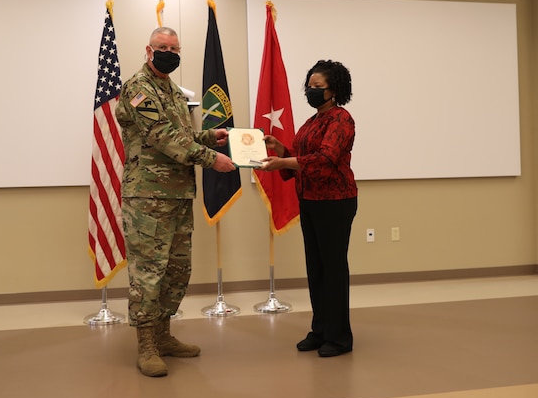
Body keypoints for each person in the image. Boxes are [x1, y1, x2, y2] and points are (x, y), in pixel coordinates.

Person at [115, 27, 236, 377]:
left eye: (174, 47)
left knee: (176, 270)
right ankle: (146, 344)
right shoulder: (139, 89)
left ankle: (165, 335)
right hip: (148, 197)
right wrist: (211, 158)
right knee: (149, 273)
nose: (168, 51)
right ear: (148, 50)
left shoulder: (171, 90)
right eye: (161, 47)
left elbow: (181, 136)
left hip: (179, 193)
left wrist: (209, 136)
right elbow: (163, 137)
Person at [260, 60, 357, 357]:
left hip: (335, 202)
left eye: (318, 87)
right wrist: (280, 149)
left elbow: (325, 159)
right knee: (316, 270)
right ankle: (321, 330)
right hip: (311, 201)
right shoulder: (313, 121)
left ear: (334, 90)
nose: (311, 91)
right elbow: (302, 160)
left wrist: (284, 162)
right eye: (309, 86)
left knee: (333, 269)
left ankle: (339, 337)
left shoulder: (341, 119)